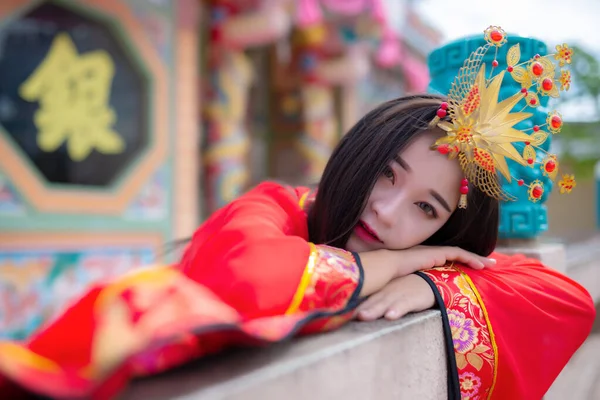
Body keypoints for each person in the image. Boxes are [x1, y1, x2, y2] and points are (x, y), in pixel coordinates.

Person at [0, 28, 594, 400]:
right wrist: (396, 264)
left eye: (425, 208)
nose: (386, 211)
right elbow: (253, 278)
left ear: (446, 227)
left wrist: (431, 281)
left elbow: (569, 302)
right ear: (359, 150)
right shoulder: (272, 206)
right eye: (387, 173)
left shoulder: (429, 258)